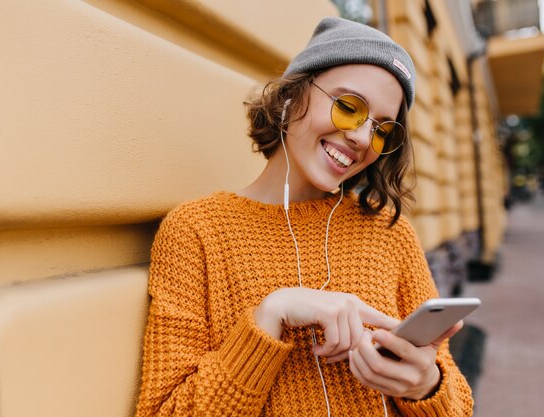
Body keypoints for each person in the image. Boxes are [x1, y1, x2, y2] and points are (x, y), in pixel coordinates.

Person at [135, 17, 474, 417]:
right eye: (349, 106)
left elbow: (457, 405)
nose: (364, 139)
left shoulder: (389, 231)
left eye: (383, 129)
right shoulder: (197, 231)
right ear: (293, 95)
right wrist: (269, 317)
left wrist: (426, 386)